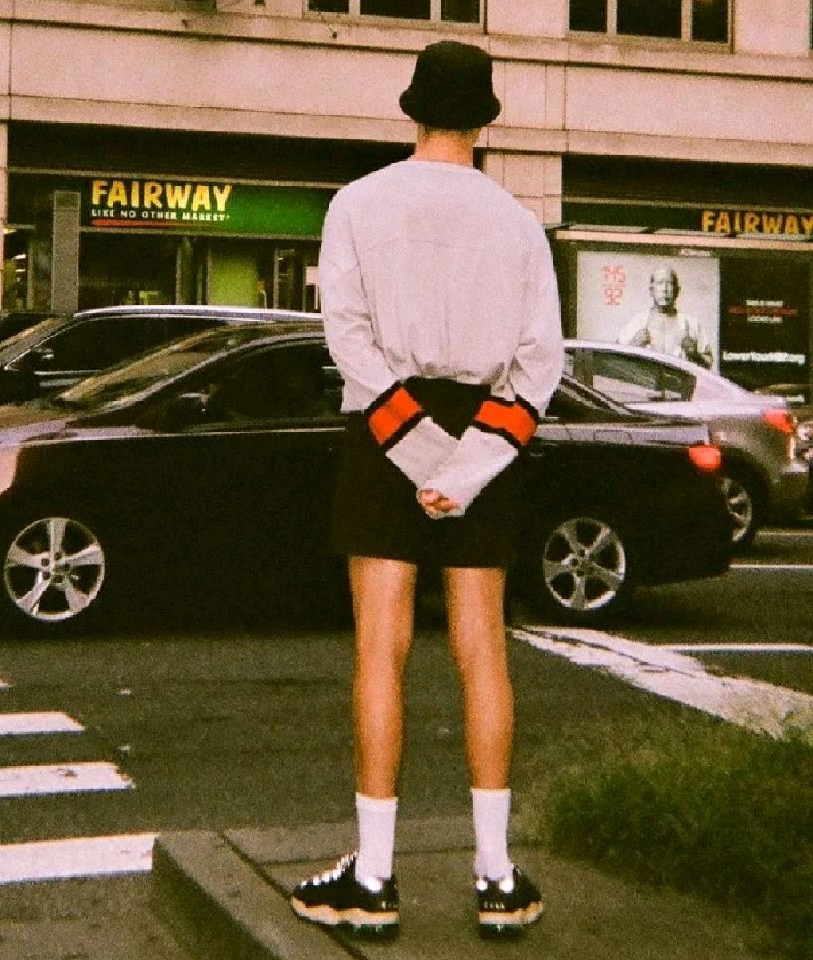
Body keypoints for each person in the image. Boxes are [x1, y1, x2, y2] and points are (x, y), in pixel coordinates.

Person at [289, 41, 564, 939]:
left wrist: (417, 453)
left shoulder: (357, 204)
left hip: (386, 432)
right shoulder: (519, 225)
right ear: (485, 121)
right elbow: (540, 362)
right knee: (483, 650)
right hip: (487, 430)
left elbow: (349, 339)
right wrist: (468, 464)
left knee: (382, 649)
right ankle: (497, 876)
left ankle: (373, 877)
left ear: (412, 111)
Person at [616, 266, 713, 368]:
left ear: (677, 290)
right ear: (651, 290)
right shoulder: (637, 322)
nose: (665, 289)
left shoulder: (691, 324)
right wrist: (633, 345)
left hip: (679, 378)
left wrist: (696, 355)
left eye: (669, 283)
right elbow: (615, 360)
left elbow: (709, 362)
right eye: (660, 283)